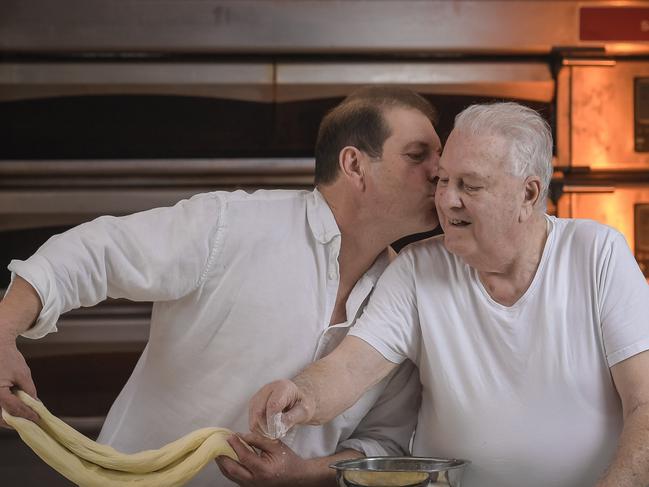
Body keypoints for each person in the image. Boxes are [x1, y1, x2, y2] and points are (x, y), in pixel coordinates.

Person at [0, 86, 443, 487]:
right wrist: (2, 333)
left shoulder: (406, 295)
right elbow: (92, 253)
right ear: (354, 165)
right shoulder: (230, 225)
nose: (440, 172)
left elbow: (385, 445)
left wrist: (301, 475)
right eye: (418, 155)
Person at [249, 102, 649, 487]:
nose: (446, 198)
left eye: (469, 185)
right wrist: (303, 394)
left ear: (528, 194)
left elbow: (644, 404)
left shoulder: (597, 253)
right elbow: (351, 367)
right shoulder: (418, 268)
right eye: (442, 180)